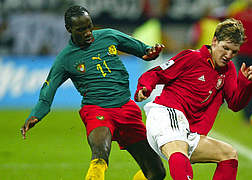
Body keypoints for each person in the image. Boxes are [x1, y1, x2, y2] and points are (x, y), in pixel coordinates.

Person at [20, 5, 166, 180]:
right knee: (100, 155)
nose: (88, 32)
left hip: (126, 109)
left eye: (89, 26)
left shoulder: (109, 35)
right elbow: (48, 89)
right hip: (97, 110)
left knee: (157, 172)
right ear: (69, 29)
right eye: (81, 30)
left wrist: (152, 52)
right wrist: (36, 114)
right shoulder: (65, 59)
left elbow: (144, 51)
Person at [135, 18, 252, 180]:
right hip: (166, 114)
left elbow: (235, 104)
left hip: (187, 131)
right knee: (179, 148)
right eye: (225, 48)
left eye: (234, 52)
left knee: (228, 154)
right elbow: (156, 73)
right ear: (214, 41)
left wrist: (245, 84)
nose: (228, 55)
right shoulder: (192, 58)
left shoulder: (228, 70)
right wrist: (145, 87)